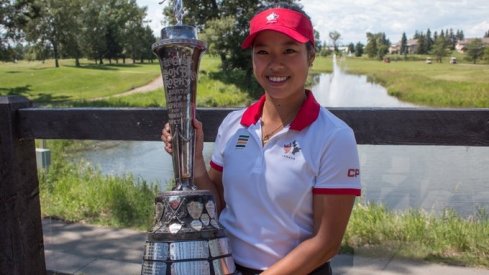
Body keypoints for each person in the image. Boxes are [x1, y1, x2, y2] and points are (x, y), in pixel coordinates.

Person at [162, 2, 361, 274]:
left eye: (289, 50)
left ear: (311, 55)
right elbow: (217, 205)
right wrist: (195, 162)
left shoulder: (334, 136)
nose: (275, 64)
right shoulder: (233, 124)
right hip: (225, 266)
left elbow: (326, 243)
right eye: (263, 52)